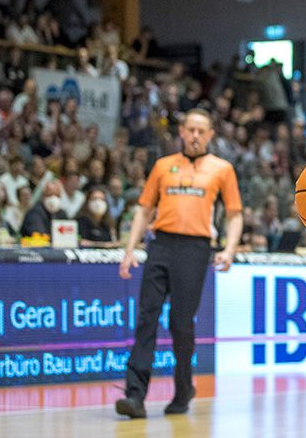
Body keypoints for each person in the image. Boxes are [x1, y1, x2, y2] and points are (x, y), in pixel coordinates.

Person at [115, 109, 243, 419]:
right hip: (161, 245)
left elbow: (234, 214)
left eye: (202, 130)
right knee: (147, 317)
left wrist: (228, 248)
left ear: (211, 135)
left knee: (181, 324)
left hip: (196, 248)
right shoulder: (162, 166)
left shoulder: (222, 169)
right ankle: (135, 395)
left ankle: (184, 388)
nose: (196, 135)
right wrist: (129, 249)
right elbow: (144, 211)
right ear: (182, 133)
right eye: (191, 129)